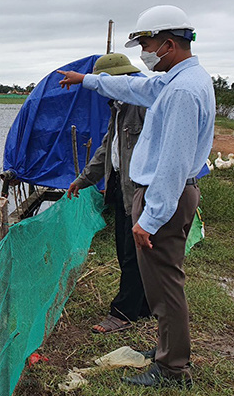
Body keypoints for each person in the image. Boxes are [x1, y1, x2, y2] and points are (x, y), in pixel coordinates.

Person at [58, 5, 215, 389]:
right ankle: (167, 351)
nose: (144, 52)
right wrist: (87, 80)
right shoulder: (182, 80)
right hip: (166, 194)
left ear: (166, 43)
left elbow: (173, 165)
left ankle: (172, 369)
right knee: (163, 284)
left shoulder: (181, 92)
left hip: (166, 195)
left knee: (165, 288)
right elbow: (135, 86)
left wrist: (151, 217)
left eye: (145, 43)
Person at [66, 53, 150, 334]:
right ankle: (143, 306)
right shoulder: (119, 107)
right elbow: (107, 150)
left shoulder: (142, 105)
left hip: (140, 191)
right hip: (120, 187)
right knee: (127, 251)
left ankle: (124, 313)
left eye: (104, 83)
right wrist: (83, 180)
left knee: (132, 254)